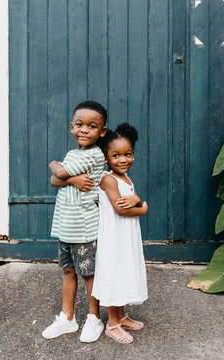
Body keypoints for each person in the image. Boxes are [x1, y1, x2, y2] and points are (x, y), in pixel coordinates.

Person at [42, 101, 107, 343]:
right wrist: (71, 179)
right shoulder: (74, 154)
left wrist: (54, 165)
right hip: (66, 226)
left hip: (84, 227)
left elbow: (58, 174)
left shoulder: (94, 154)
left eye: (92, 126)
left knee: (89, 274)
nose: (84, 130)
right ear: (72, 127)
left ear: (101, 132)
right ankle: (67, 318)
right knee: (68, 271)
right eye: (79, 125)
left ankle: (94, 318)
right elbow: (56, 181)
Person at [92, 123, 148, 344]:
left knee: (124, 272)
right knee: (114, 275)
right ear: (106, 157)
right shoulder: (108, 179)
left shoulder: (126, 178)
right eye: (116, 155)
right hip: (114, 238)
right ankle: (112, 323)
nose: (123, 159)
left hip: (127, 237)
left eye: (128, 154)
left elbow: (133, 200)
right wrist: (143, 206)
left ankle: (121, 316)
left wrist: (137, 201)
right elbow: (121, 209)